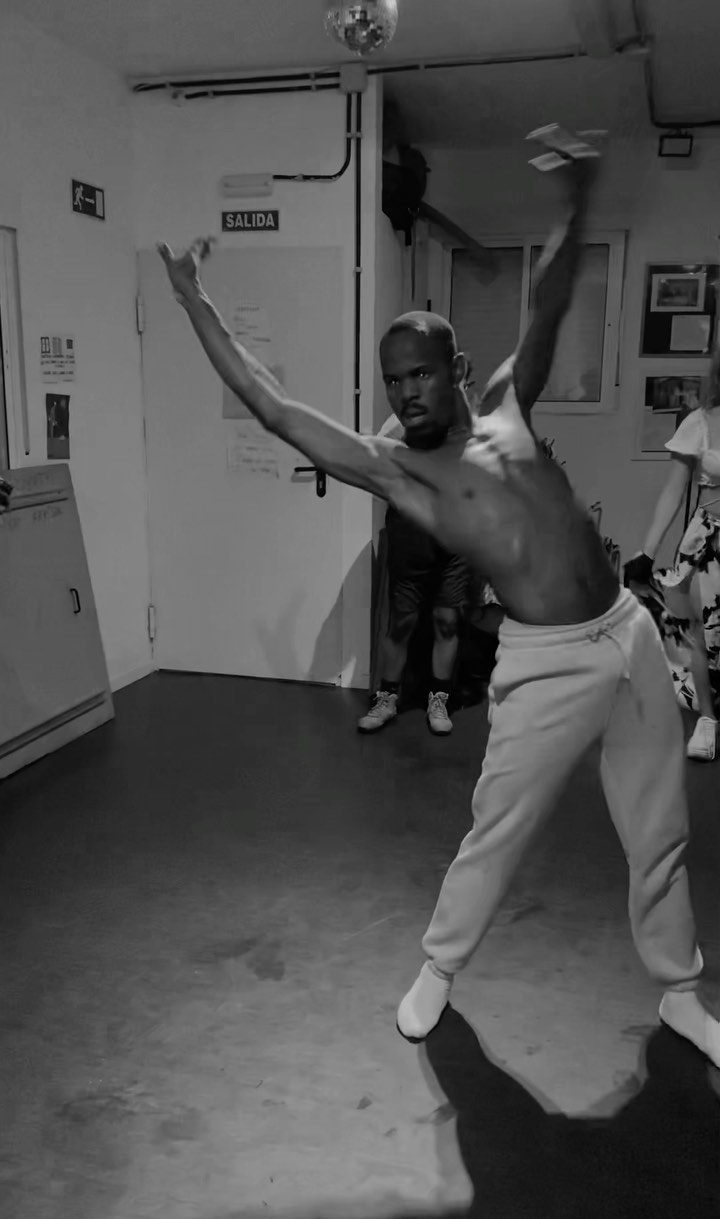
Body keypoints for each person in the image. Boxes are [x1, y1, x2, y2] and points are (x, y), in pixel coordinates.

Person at [157, 148, 720, 1070]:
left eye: (418, 374)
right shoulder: (402, 473)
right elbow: (275, 407)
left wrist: (576, 201)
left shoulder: (508, 408)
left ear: (455, 367)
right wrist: (193, 299)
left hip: (630, 630)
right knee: (497, 832)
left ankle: (680, 992)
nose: (404, 394)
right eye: (392, 382)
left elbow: (549, 305)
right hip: (544, 661)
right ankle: (439, 969)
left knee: (660, 828)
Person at [625, 368, 720, 762]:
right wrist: (647, 553)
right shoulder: (700, 422)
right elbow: (673, 491)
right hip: (709, 543)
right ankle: (708, 720)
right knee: (700, 631)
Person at [361, 409, 470, 736]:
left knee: (447, 621)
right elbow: (377, 464)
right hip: (410, 534)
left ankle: (439, 699)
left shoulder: (473, 421)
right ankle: (387, 699)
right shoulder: (403, 419)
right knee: (402, 621)